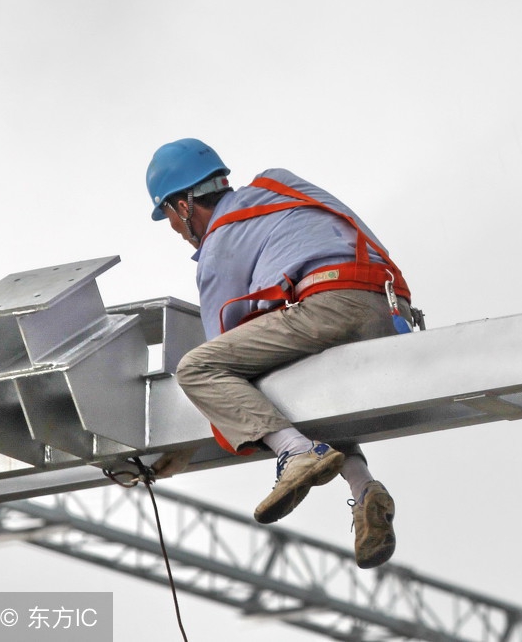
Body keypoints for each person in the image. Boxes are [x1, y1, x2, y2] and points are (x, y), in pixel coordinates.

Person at [147, 138, 418, 568]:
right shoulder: (284, 187)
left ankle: (295, 452)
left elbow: (221, 357)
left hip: (331, 303)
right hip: (390, 310)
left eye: (170, 218)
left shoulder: (218, 247)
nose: (178, 232)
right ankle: (363, 486)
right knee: (300, 386)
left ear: (183, 206)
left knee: (201, 368)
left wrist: (182, 446)